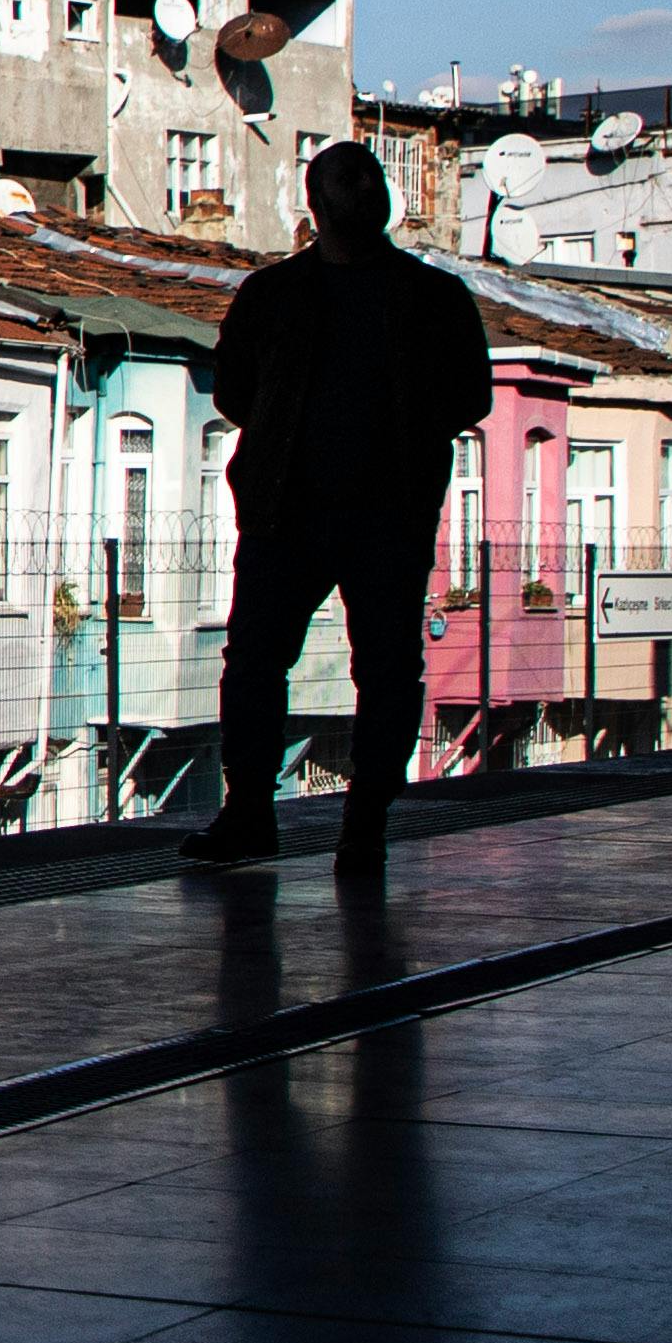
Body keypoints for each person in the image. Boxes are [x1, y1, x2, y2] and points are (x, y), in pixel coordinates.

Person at [191, 138, 492, 872]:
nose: (363, 201)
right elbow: (469, 397)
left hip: (337, 512)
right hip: (313, 512)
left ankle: (310, 819)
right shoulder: (420, 296)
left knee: (322, 665)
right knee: (312, 665)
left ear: (314, 209)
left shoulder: (282, 295)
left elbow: (233, 394)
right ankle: (322, 822)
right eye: (356, 189)